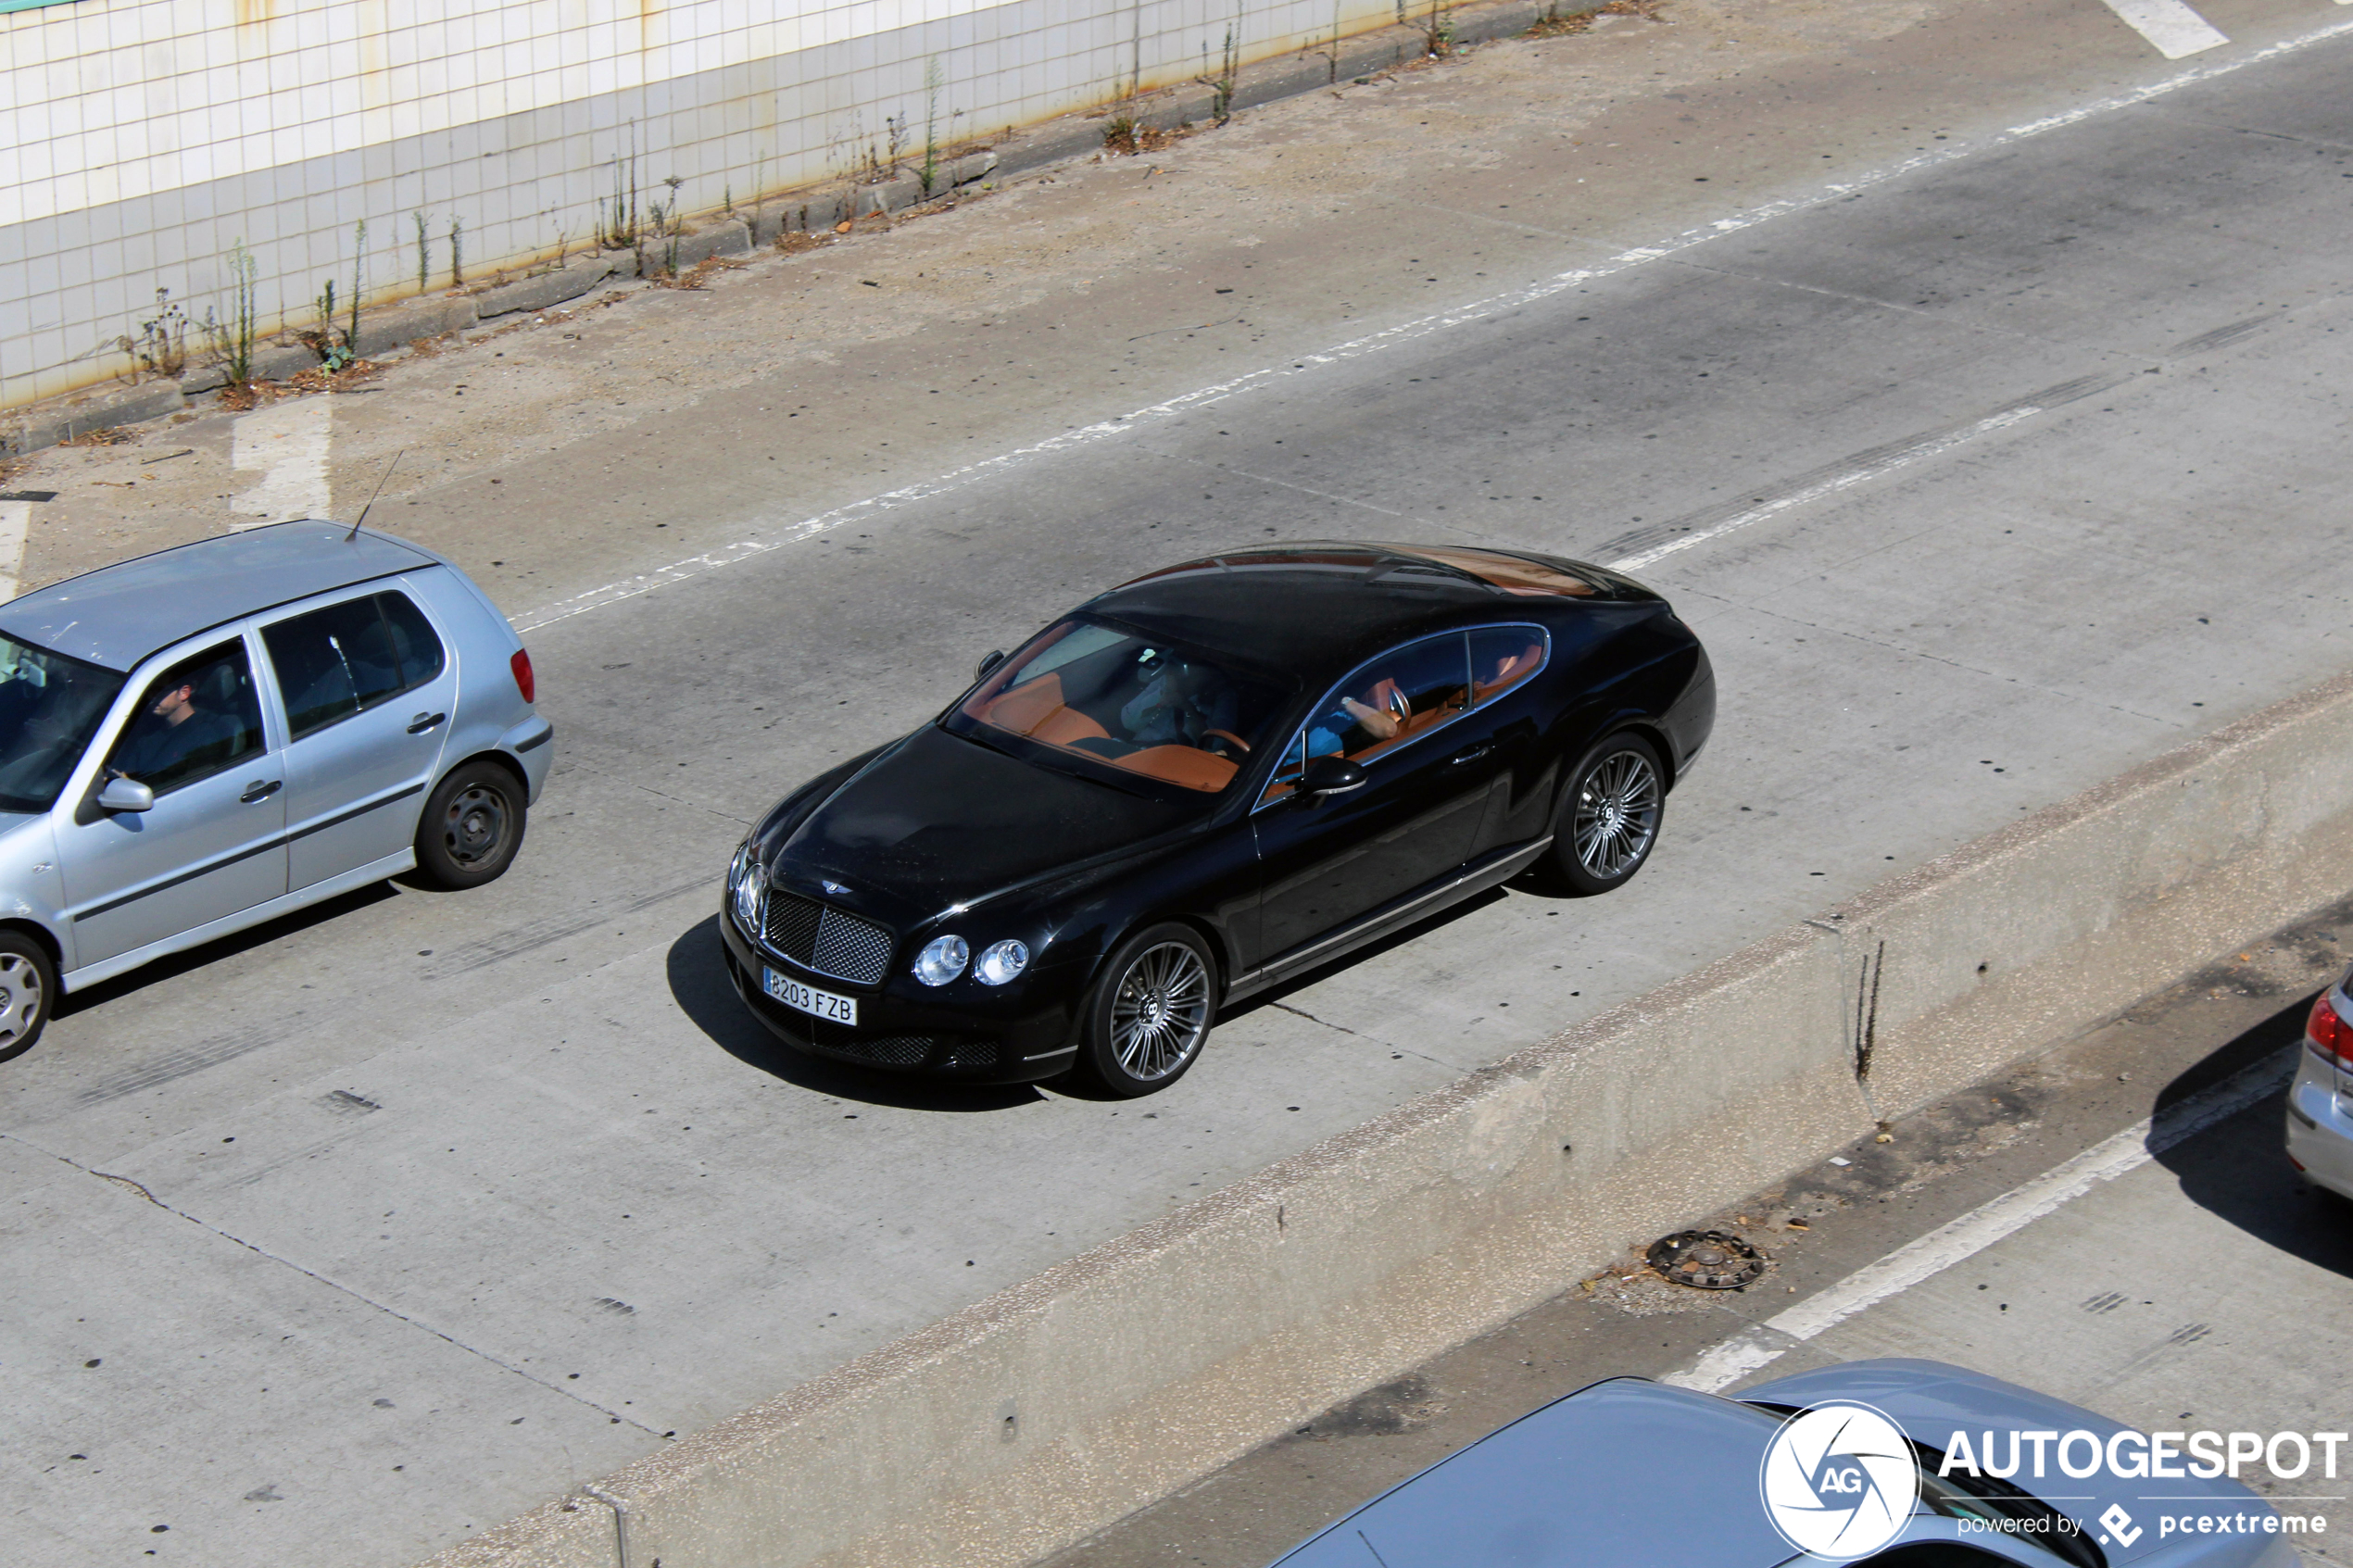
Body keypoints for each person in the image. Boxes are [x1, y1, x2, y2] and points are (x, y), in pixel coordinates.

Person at [109, 667, 242, 790]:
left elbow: (193, 787)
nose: (152, 698)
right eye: (150, 691)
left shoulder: (206, 734)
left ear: (184, 693)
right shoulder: (146, 729)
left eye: (160, 692)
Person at [1118, 658, 1239, 749]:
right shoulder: (1164, 680)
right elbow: (1128, 723)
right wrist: (1161, 695)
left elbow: (1216, 744)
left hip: (1175, 761)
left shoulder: (1221, 695)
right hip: (1136, 750)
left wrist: (1188, 709)